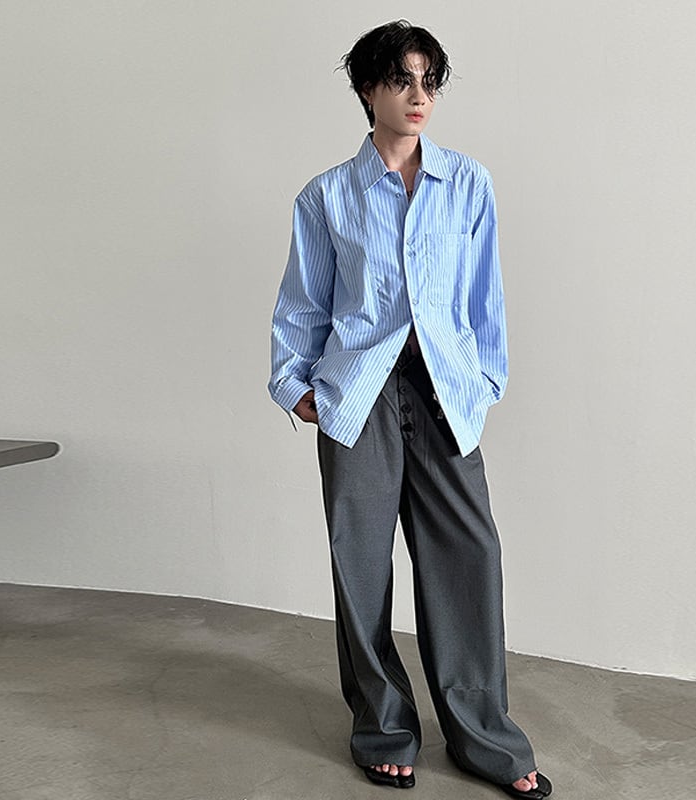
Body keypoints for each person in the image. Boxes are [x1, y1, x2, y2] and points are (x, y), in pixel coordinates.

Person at [268, 20, 553, 799]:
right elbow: (303, 304)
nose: (419, 95)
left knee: (469, 558)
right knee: (360, 566)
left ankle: (484, 737)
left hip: (442, 393)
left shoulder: (468, 183)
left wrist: (482, 381)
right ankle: (384, 727)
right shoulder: (326, 195)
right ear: (368, 90)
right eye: (401, 80)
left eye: (429, 80)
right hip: (357, 393)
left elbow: (485, 298)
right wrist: (295, 387)